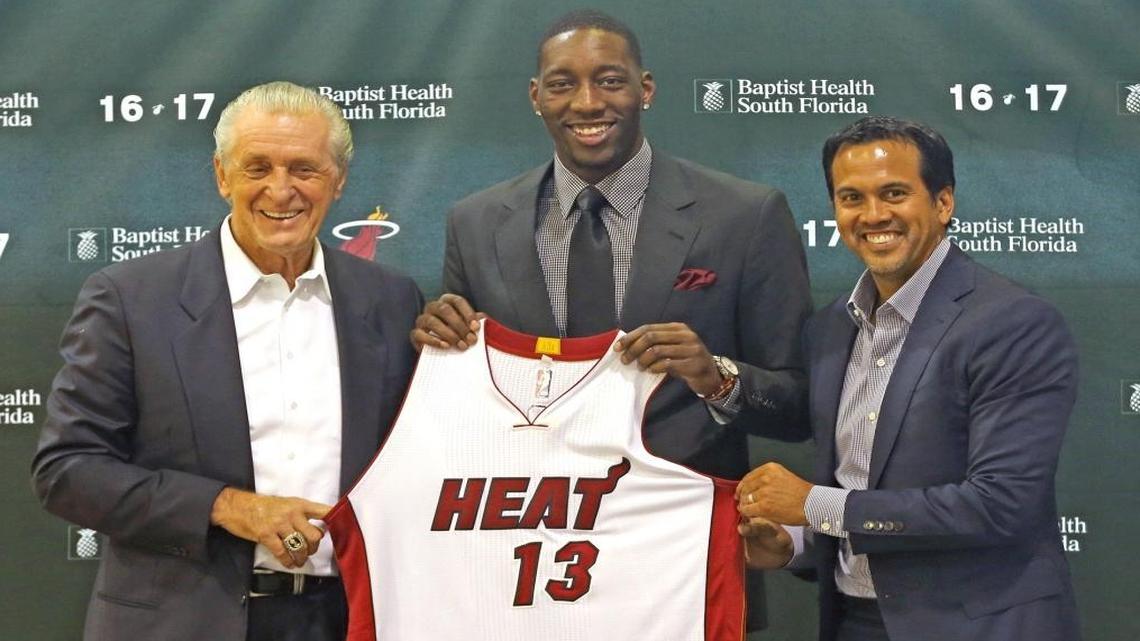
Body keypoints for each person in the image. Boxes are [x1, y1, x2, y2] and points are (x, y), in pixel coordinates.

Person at [411, 9, 812, 630]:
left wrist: (719, 378)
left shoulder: (744, 216)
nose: (588, 102)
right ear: (536, 97)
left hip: (681, 567)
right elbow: (468, 403)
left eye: (610, 80)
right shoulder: (476, 222)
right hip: (517, 569)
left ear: (645, 88)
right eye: (563, 83)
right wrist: (436, 349)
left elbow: (799, 405)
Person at [31, 81, 422, 641]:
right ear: (221, 176)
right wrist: (228, 507)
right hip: (180, 622)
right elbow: (67, 470)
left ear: (339, 181)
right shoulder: (131, 298)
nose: (279, 190)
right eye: (256, 167)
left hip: (350, 619)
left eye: (303, 169)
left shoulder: (391, 300)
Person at [737, 116, 1081, 640]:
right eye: (851, 198)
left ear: (943, 203)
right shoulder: (830, 328)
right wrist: (797, 545)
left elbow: (998, 505)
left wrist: (811, 504)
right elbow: (857, 487)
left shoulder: (1013, 323)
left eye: (894, 193)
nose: (873, 215)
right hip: (855, 623)